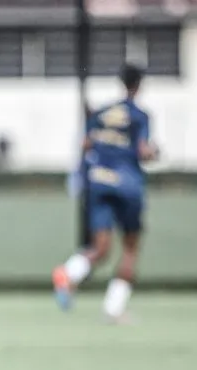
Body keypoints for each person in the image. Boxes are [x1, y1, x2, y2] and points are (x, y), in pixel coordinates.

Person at [53, 63, 158, 323]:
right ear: (139, 85)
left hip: (98, 183)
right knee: (130, 247)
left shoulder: (101, 112)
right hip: (127, 185)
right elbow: (143, 151)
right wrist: (154, 153)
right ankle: (114, 308)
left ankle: (68, 273)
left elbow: (85, 144)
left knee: (101, 248)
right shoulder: (139, 116)